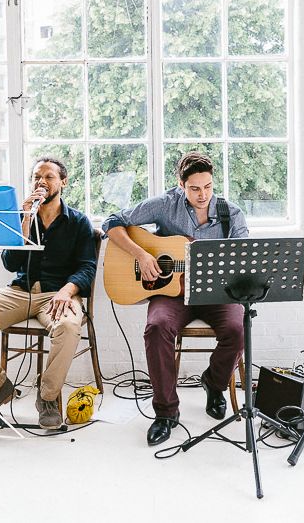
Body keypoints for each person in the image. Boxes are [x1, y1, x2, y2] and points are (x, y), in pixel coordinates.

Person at [102, 151, 248, 446]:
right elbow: (112, 222)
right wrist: (141, 254)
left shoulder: (230, 213)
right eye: (194, 188)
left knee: (236, 329)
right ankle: (166, 412)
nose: (202, 194)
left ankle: (214, 382)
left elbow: (242, 257)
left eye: (207, 186)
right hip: (171, 294)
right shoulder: (165, 205)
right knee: (156, 328)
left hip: (215, 292)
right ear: (181, 185)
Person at [0, 157, 96, 430]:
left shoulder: (79, 222)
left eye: (48, 177)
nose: (41, 182)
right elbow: (11, 264)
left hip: (58, 294)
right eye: (37, 177)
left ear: (63, 182)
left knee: (69, 328)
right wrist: (23, 224)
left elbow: (87, 266)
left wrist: (67, 290)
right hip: (20, 292)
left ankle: (47, 398)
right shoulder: (20, 218)